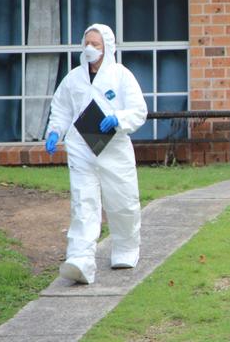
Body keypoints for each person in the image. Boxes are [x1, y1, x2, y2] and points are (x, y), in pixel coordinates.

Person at [45, 23, 147, 284]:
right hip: (81, 147)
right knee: (83, 202)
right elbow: (62, 107)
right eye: (87, 43)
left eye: (96, 44)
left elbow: (139, 110)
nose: (90, 49)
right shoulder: (74, 78)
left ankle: (125, 249)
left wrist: (117, 118)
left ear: (108, 48)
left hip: (114, 148)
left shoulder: (122, 76)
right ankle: (80, 259)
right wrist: (55, 131)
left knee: (122, 200)